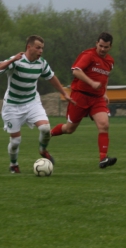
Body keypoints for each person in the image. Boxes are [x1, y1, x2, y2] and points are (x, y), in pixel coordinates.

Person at [0, 35, 74, 173]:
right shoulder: (16, 60)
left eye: (42, 48)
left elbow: (51, 77)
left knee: (45, 128)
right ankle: (13, 164)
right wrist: (12, 60)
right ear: (29, 47)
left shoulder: (41, 63)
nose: (41, 51)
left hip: (32, 103)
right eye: (38, 47)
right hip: (12, 106)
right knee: (15, 141)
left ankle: (42, 149)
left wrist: (64, 93)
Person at [51, 32, 117, 169]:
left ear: (110, 47)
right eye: (100, 46)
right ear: (96, 43)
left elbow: (105, 77)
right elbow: (76, 71)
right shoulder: (88, 55)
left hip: (97, 99)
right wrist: (92, 83)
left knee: (104, 124)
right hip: (80, 96)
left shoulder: (110, 62)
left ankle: (103, 158)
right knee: (69, 129)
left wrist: (104, 92)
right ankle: (48, 133)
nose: (102, 49)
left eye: (106, 47)